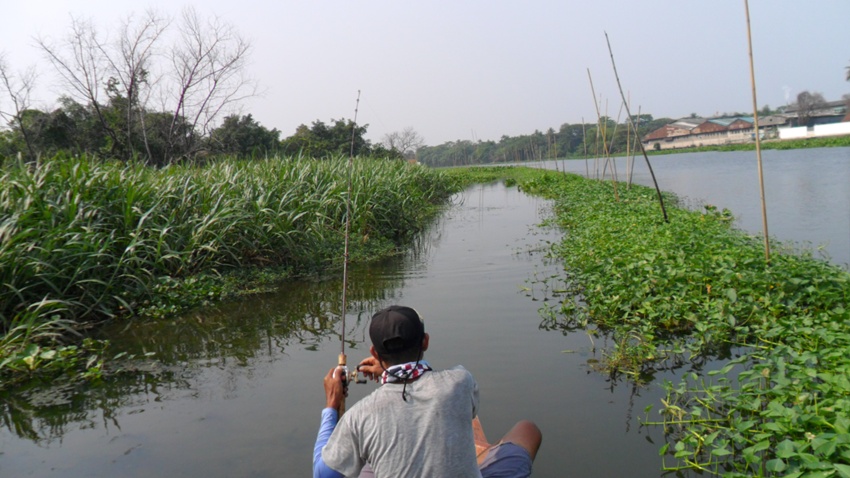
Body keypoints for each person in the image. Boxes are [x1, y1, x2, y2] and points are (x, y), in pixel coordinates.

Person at [313, 305, 542, 478]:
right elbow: (464, 410)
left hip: (384, 377)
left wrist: (332, 404)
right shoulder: (460, 381)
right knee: (527, 429)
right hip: (401, 364)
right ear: (425, 342)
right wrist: (393, 372)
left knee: (363, 466)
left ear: (375, 352)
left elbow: (323, 474)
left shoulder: (359, 416)